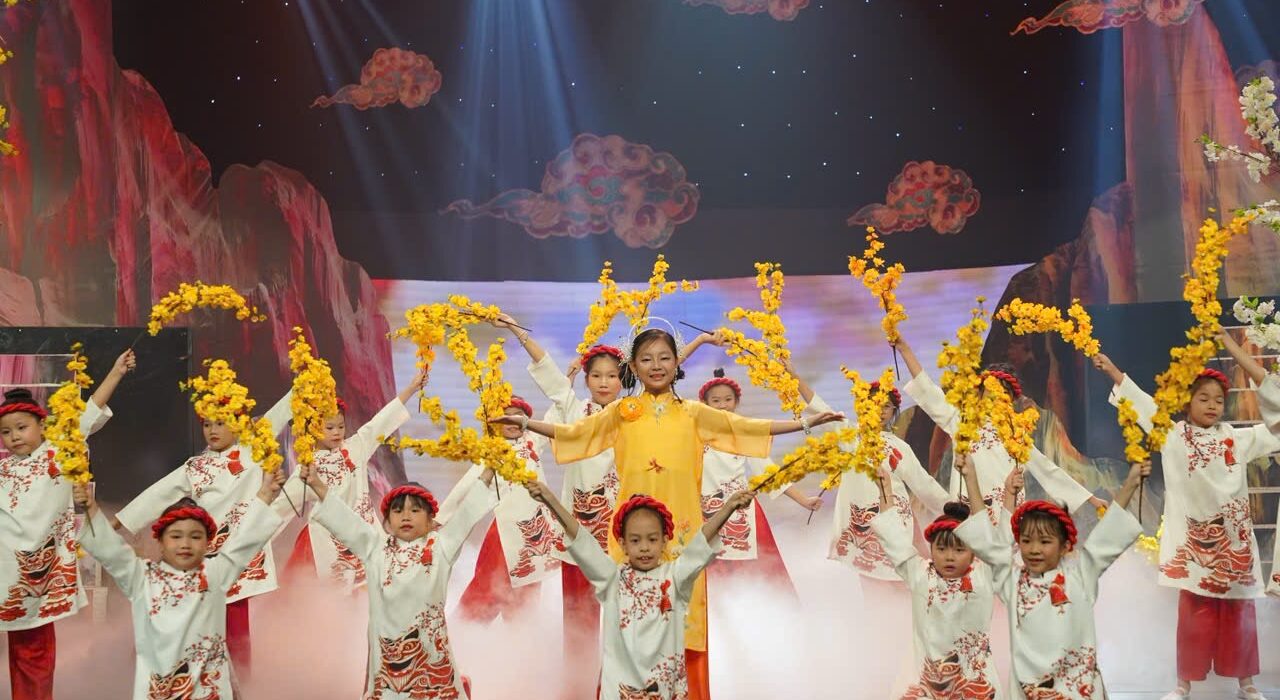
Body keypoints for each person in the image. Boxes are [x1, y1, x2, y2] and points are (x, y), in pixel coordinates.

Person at [488, 326, 843, 700]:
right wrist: (525, 424)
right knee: (628, 625)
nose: (656, 365)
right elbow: (574, 434)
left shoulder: (694, 414)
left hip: (682, 538)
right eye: (646, 359)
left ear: (676, 363)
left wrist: (805, 423)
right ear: (634, 367)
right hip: (632, 537)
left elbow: (743, 428)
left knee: (684, 623)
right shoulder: (622, 413)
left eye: (664, 358)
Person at [1096, 338, 1280, 700]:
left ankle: (1246, 683)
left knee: (1239, 614)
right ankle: (1183, 685)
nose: (1212, 405)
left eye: (1218, 400)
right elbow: (1144, 406)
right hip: (1195, 548)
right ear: (1187, 402)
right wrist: (1114, 372)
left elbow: (1275, 430)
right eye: (1203, 398)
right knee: (1194, 617)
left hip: (1233, 546)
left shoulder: (1235, 438)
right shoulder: (1174, 435)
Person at [113, 388, 291, 679]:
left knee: (235, 630)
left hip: (240, 553)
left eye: (220, 423)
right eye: (207, 424)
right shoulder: (195, 466)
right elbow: (159, 493)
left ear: (237, 423)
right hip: (204, 557)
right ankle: (165, 679)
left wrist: (304, 382)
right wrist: (121, 521)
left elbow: (280, 414)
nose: (212, 430)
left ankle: (240, 685)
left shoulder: (253, 448)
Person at [491, 312, 623, 698]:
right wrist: (516, 329)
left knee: (624, 617)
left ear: (623, 380)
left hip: (622, 535)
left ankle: (619, 687)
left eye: (612, 375)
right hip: (577, 532)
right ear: (586, 380)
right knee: (579, 619)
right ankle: (578, 689)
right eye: (596, 375)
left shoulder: (631, 415)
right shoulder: (572, 409)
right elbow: (548, 372)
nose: (604, 382)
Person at [525, 480, 754, 700]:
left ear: (664, 541)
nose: (644, 547)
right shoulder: (612, 579)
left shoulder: (675, 577)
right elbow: (583, 541)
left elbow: (700, 543)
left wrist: (729, 507)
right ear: (623, 544)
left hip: (664, 691)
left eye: (652, 540)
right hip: (620, 691)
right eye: (635, 541)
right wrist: (549, 500)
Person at [74, 467, 285, 699]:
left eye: (195, 537)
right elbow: (112, 551)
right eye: (175, 536)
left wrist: (265, 494)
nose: (185, 544)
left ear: (207, 543)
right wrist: (91, 509)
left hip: (207, 691)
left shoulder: (216, 573)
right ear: (160, 542)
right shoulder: (142, 577)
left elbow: (245, 540)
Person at [955, 448, 1147, 700]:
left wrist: (1132, 482)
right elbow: (987, 541)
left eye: (1045, 542)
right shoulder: (1013, 583)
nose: (1034, 549)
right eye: (1026, 541)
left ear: (1065, 546)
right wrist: (970, 477)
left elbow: (1106, 535)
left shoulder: (1079, 578)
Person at [300, 458, 498, 699]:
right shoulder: (375, 548)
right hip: (389, 663)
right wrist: (317, 484)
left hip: (429, 660)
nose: (406, 516)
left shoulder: (441, 547)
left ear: (430, 520)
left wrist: (488, 472)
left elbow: (466, 515)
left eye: (415, 510)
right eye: (398, 510)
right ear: (387, 521)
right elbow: (345, 520)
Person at [0, 349, 134, 700]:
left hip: (42, 571)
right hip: (8, 571)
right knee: (20, 649)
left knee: (35, 651)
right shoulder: (2, 470)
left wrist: (116, 372)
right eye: (6, 432)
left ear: (42, 426)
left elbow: (91, 412)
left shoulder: (58, 452)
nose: (14, 437)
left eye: (21, 428)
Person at [894, 336, 1105, 519]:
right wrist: (904, 349)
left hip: (1007, 512)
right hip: (970, 513)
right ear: (979, 394)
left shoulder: (1017, 434)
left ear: (1012, 400)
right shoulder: (961, 422)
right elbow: (928, 390)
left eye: (1004, 392)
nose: (996, 396)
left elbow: (1047, 470)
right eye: (990, 390)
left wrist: (1091, 499)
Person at [274, 369, 428, 593]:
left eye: (341, 426)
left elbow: (381, 422)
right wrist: (245, 544)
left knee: (375, 592)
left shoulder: (355, 447)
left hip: (364, 535)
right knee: (324, 602)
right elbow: (279, 510)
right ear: (313, 428)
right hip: (327, 542)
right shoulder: (307, 469)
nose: (337, 432)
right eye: (329, 427)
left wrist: (412, 388)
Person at [868, 453, 1003, 699]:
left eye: (959, 550)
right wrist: (884, 489)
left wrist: (971, 478)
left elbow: (983, 532)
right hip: (927, 681)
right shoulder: (920, 573)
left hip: (974, 683)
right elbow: (893, 535)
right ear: (931, 549)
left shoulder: (983, 575)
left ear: (973, 552)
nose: (949, 556)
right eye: (941, 549)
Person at [442, 396, 565, 624]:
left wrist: (568, 382)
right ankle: (462, 631)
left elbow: (555, 413)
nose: (512, 421)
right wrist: (441, 517)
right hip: (504, 531)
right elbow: (466, 486)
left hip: (535, 535)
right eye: (506, 416)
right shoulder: (493, 453)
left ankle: (520, 639)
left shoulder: (532, 441)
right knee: (487, 586)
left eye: (518, 416)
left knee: (526, 595)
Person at [697, 369, 821, 593]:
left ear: (736, 402)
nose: (723, 405)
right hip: (705, 513)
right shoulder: (694, 435)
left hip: (741, 513)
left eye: (728, 400)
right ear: (704, 404)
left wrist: (803, 500)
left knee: (757, 578)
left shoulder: (745, 433)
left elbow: (769, 473)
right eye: (716, 401)